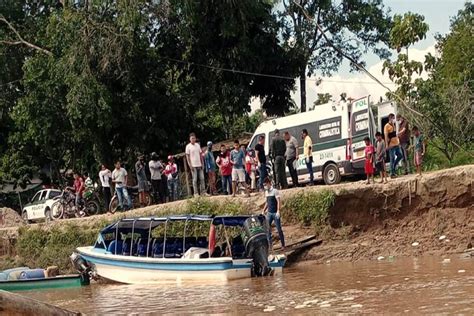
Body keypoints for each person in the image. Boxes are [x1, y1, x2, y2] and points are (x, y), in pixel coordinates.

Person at [262, 177, 285, 250]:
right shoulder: (266, 192)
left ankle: (283, 245)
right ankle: (270, 246)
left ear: (269, 183)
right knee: (267, 229)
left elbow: (278, 201)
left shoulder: (275, 191)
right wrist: (263, 210)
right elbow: (267, 202)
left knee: (279, 229)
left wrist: (278, 211)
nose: (265, 187)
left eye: (265, 185)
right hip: (269, 213)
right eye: (264, 185)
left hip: (275, 213)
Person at [186, 133, 206, 197]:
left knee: (202, 178)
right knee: (195, 179)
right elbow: (187, 157)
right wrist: (189, 165)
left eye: (194, 138)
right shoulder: (188, 146)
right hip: (193, 165)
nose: (193, 139)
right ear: (190, 139)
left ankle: (203, 192)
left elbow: (200, 155)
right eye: (192, 138)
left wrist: (202, 163)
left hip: (199, 164)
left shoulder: (197, 145)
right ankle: (196, 193)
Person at [384, 113, 403, 178]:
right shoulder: (387, 126)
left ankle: (393, 168)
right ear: (390, 118)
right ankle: (392, 173)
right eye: (392, 118)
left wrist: (398, 141)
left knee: (400, 155)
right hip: (391, 144)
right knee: (392, 158)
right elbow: (386, 136)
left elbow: (395, 134)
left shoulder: (393, 125)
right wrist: (387, 145)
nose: (393, 119)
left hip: (396, 143)